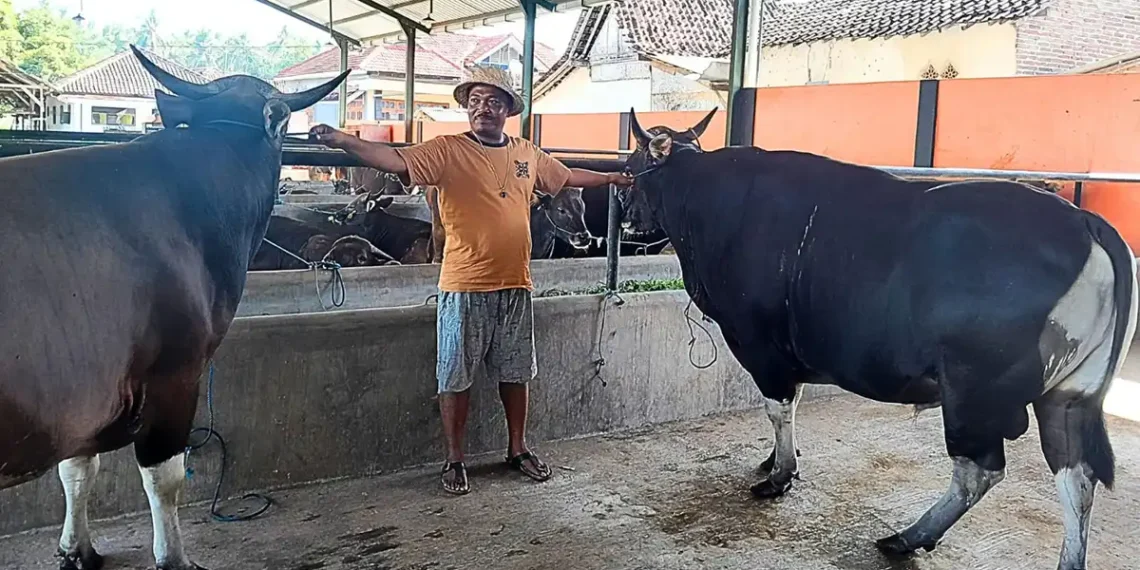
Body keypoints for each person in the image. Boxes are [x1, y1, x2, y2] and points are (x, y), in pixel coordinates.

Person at [308, 65, 634, 495]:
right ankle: (454, 459)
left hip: (516, 282)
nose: (484, 109)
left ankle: (517, 449)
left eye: (494, 101)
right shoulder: (445, 150)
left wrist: (611, 177)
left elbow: (567, 177)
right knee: (455, 375)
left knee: (516, 372)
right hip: (464, 284)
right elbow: (393, 159)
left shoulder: (526, 153)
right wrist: (344, 140)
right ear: (466, 108)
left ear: (507, 110)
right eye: (476, 101)